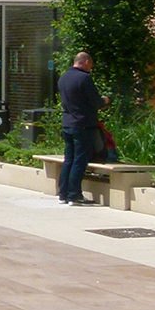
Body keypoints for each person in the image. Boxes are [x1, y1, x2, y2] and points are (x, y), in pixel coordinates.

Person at [58, 51, 111, 204]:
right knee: (80, 160)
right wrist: (105, 100)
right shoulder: (84, 78)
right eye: (91, 64)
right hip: (82, 125)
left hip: (67, 123)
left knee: (69, 159)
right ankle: (74, 195)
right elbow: (96, 101)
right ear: (86, 62)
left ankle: (63, 194)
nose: (91, 68)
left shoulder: (63, 77)